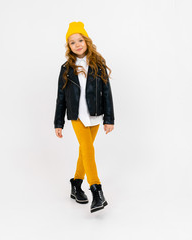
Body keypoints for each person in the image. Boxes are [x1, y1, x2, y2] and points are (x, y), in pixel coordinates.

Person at [54, 21, 115, 213]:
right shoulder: (66, 68)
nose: (77, 44)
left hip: (96, 115)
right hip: (77, 116)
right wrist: (59, 122)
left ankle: (76, 184)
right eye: (72, 42)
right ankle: (97, 191)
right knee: (88, 149)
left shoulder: (98, 64)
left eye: (80, 40)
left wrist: (109, 119)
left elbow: (107, 92)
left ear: (87, 41)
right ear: (69, 47)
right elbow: (61, 97)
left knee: (84, 151)